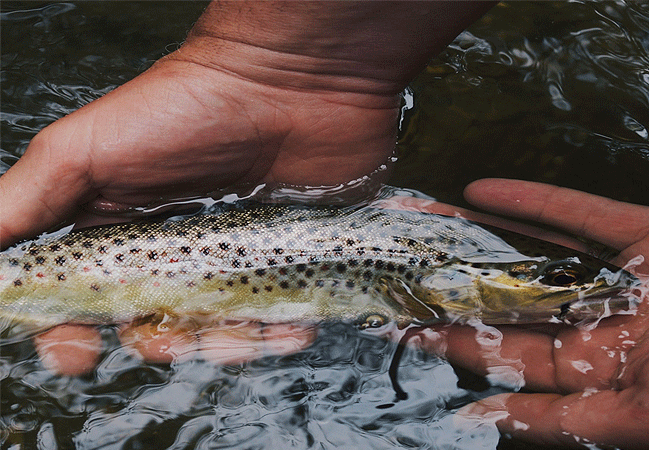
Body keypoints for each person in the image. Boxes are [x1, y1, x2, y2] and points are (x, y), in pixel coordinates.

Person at [0, 2, 646, 448]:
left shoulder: (428, 266)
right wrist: (269, 66)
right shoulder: (431, 270)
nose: (573, 285)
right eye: (555, 278)